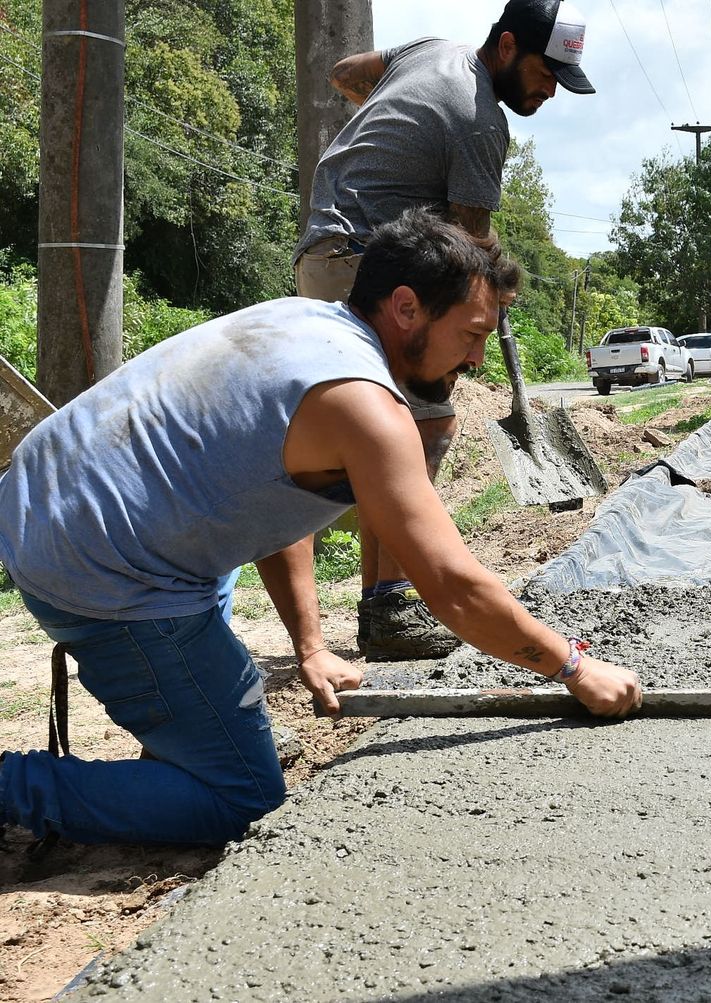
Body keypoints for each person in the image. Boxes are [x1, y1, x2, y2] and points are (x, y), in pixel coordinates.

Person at [0, 211, 642, 847]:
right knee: (242, 798)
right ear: (407, 307)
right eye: (471, 333)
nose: (476, 358)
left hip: (55, 494)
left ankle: (186, 726)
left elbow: (266, 499)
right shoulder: (365, 406)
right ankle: (15, 786)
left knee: (217, 704)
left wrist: (309, 646)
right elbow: (451, 586)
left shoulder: (305, 320)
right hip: (98, 565)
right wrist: (573, 668)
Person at [292, 0, 594, 662]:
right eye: (547, 75)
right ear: (509, 47)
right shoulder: (482, 121)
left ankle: (383, 607)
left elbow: (346, 72)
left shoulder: (432, 50)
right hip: (364, 264)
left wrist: (399, 131)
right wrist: (489, 309)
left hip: (323, 253)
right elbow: (472, 258)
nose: (549, 92)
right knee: (425, 426)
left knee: (393, 426)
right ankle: (392, 606)